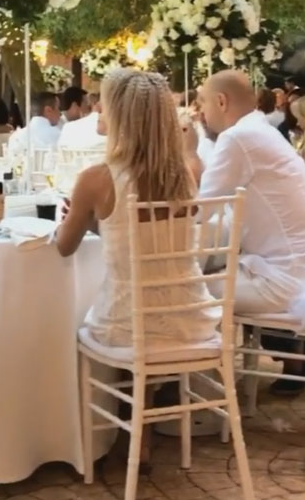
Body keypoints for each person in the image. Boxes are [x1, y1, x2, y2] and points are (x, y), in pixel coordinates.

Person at [57, 69, 220, 350]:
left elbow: (64, 247)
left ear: (121, 115)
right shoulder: (183, 175)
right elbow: (152, 237)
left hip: (127, 324)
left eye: (104, 103)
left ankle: (131, 379)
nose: (97, 109)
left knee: (72, 327)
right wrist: (98, 223)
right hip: (192, 320)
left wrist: (75, 217)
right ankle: (163, 376)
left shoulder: (96, 179)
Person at [199, 71, 305, 318]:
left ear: (221, 101)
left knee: (178, 289)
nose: (201, 112)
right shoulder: (261, 129)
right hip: (291, 272)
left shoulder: (238, 137)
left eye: (202, 102)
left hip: (283, 282)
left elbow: (199, 210)